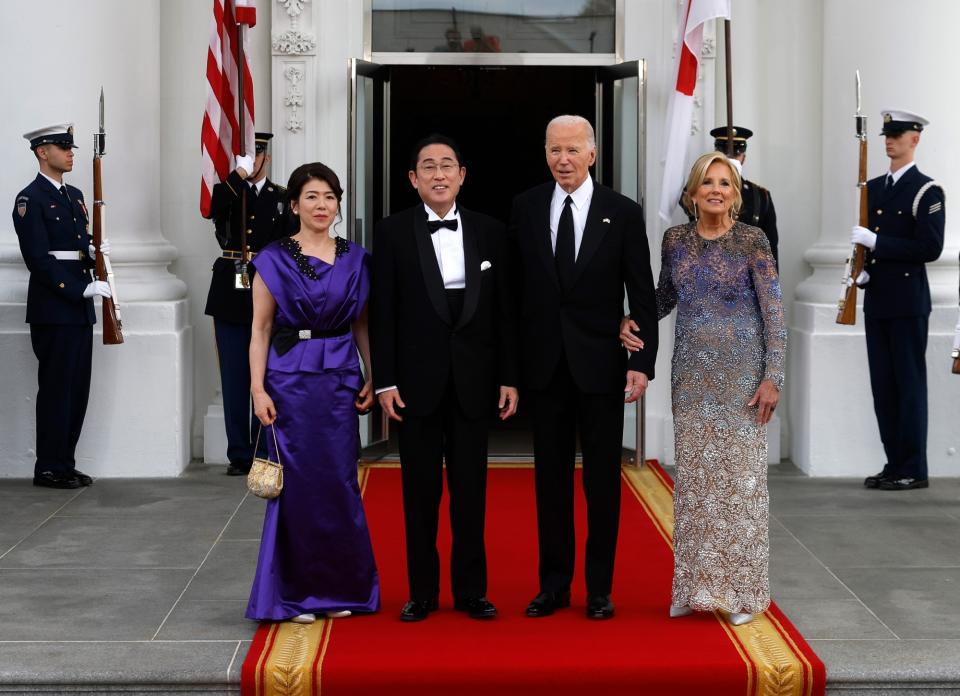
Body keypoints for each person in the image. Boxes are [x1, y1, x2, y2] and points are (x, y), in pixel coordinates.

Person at [509, 115, 658, 621]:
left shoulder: (623, 212)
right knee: (549, 482)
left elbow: (642, 292)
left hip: (601, 365)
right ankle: (553, 586)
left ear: (592, 154)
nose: (563, 160)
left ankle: (599, 589)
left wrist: (641, 362)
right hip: (545, 366)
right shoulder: (526, 207)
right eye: (554, 150)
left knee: (601, 482)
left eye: (573, 150)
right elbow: (516, 294)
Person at [370, 134, 519, 622]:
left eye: (447, 165)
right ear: (413, 179)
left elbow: (504, 314)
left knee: (471, 493)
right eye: (428, 167)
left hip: (476, 383)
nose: (439, 174)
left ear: (461, 175)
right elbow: (383, 313)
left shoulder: (491, 231)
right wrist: (386, 380)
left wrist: (508, 377)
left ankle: (472, 592)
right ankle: (422, 593)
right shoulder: (392, 233)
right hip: (415, 385)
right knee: (418, 494)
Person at [636, 151, 784, 626]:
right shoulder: (675, 240)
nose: (716, 190)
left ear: (735, 193)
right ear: (693, 193)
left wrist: (772, 377)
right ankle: (694, 588)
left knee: (740, 488)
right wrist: (628, 320)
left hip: (743, 384)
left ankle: (743, 594)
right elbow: (664, 297)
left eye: (724, 183)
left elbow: (774, 315)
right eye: (707, 183)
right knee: (697, 487)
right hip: (692, 382)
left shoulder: (752, 241)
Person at [245, 162, 378, 623]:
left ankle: (341, 588)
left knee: (339, 483)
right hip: (289, 383)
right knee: (297, 487)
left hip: (339, 378)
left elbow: (361, 323)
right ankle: (293, 595)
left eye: (329, 197)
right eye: (312, 197)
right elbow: (260, 329)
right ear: (294, 204)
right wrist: (257, 389)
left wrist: (372, 376)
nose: (322, 206)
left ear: (338, 204)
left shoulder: (358, 258)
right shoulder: (272, 258)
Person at [12, 123, 112, 489]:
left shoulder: (75, 195)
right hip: (54, 305)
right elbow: (38, 258)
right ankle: (49, 467)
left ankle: (65, 462)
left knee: (77, 388)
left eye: (71, 148)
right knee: (56, 388)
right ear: (42, 152)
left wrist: (91, 251)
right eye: (63, 147)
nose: (71, 153)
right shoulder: (30, 198)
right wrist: (78, 289)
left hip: (77, 305)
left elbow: (76, 241)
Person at [853, 110, 945, 491]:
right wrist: (864, 269)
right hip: (879, 299)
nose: (889, 141)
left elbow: (930, 247)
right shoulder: (873, 187)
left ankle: (914, 467)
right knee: (884, 386)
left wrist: (879, 244)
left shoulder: (927, 190)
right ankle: (894, 463)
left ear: (915, 139)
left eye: (897, 134)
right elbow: (869, 246)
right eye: (886, 135)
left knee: (908, 386)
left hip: (908, 303)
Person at [204, 132, 291, 476]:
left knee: (267, 374)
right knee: (234, 375)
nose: (251, 163)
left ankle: (263, 447)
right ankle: (238, 453)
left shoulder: (282, 197)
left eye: (255, 157)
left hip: (270, 287)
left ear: (265, 158)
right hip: (230, 290)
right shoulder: (228, 191)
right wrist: (237, 176)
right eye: (245, 158)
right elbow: (212, 209)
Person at [708, 126, 779, 269]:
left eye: (736, 153)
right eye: (724, 153)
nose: (730, 158)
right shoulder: (702, 191)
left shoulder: (760, 195)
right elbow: (688, 205)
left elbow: (770, 249)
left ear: (743, 158)